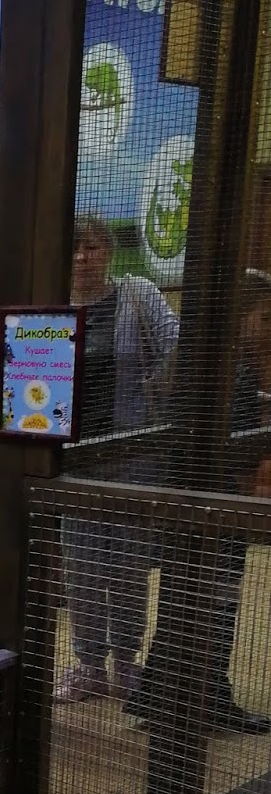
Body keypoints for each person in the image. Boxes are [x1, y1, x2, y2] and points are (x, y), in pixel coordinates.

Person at [124, 267, 271, 735]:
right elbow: (241, 442)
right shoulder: (230, 371)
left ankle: (158, 695)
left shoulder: (195, 358)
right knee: (215, 601)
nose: (268, 328)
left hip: (184, 502)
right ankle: (206, 698)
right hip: (214, 505)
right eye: (264, 317)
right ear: (241, 316)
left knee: (183, 599)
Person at [54, 217, 179, 704]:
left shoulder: (136, 294)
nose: (83, 257)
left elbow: (178, 343)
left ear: (107, 251)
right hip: (73, 461)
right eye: (74, 249)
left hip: (133, 456)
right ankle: (89, 667)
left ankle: (128, 665)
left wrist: (156, 387)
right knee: (82, 569)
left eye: (91, 246)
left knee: (128, 568)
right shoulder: (52, 305)